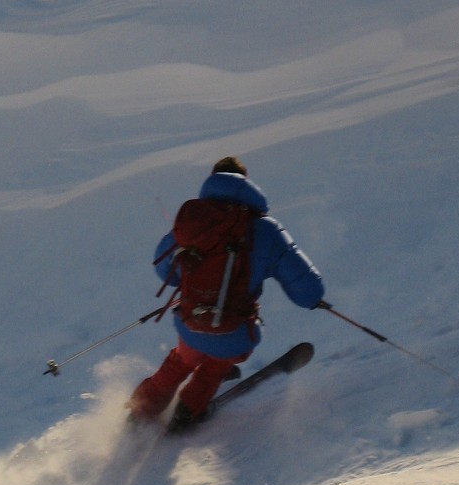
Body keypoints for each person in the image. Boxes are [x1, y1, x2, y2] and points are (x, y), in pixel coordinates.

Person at [127, 156, 325, 431]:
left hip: (191, 324)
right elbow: (305, 287)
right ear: (246, 182)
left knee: (179, 362)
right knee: (214, 367)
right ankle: (186, 412)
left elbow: (164, 269)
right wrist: (316, 300)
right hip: (234, 332)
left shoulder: (194, 223)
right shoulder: (266, 230)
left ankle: (140, 409)